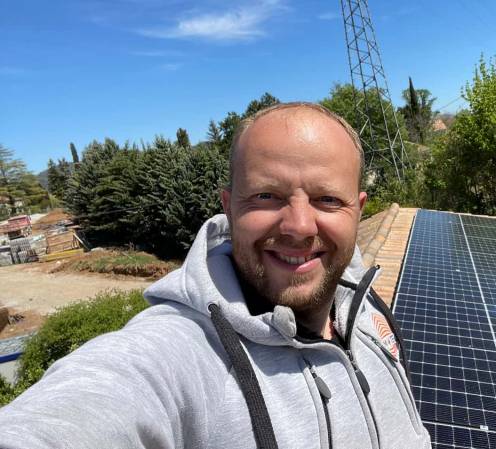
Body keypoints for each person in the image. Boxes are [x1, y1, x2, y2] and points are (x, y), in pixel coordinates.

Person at [0, 102, 431, 449]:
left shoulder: (364, 300)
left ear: (359, 208)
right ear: (228, 206)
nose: (299, 226)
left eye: (327, 199)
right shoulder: (181, 352)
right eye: (266, 195)